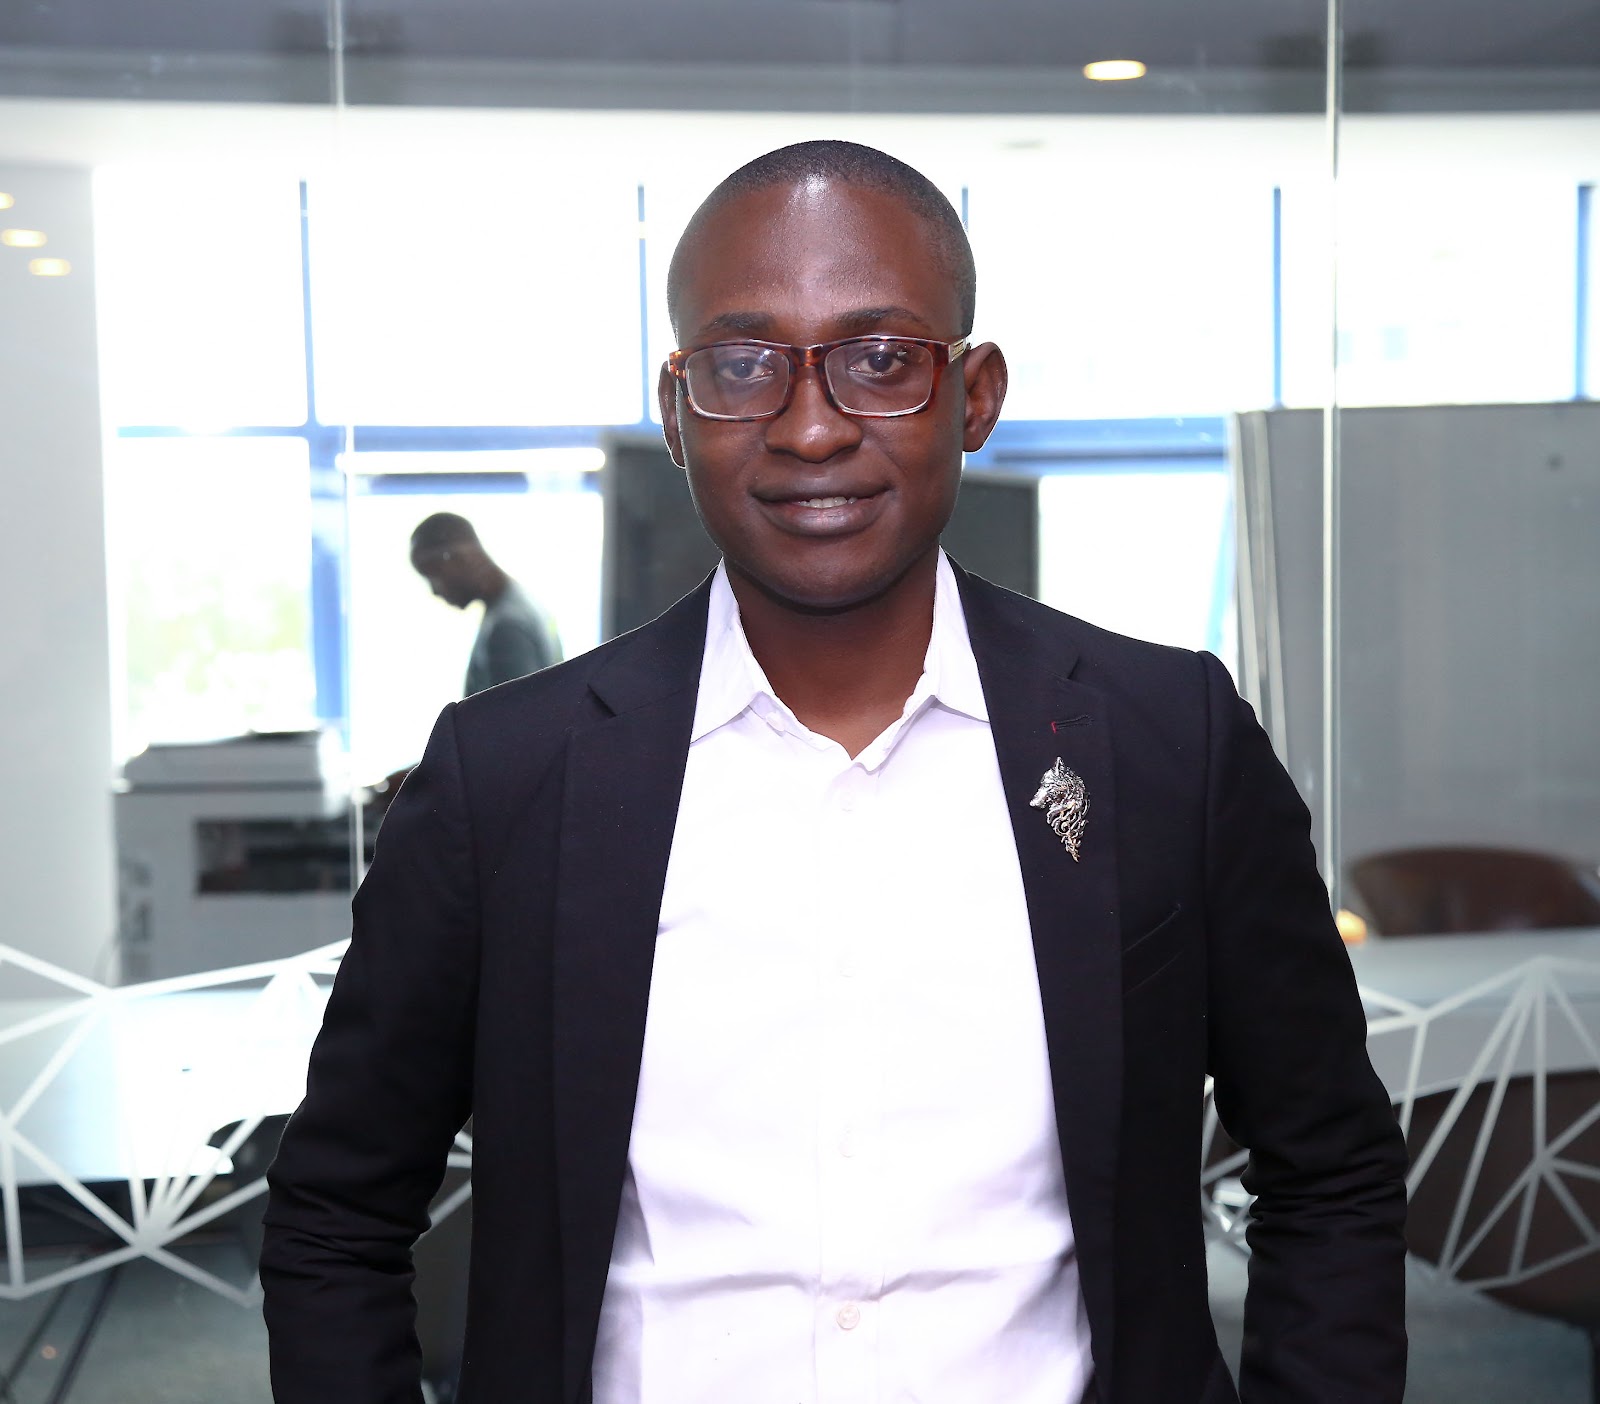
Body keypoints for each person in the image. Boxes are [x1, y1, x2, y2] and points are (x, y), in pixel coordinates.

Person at [262, 141, 1407, 1403]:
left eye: (881, 359)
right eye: (742, 365)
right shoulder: (508, 778)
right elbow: (337, 1213)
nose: (811, 428)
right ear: (675, 411)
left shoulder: (1164, 743)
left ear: (974, 396)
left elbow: (1328, 1170)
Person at [409, 511, 562, 696]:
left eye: (433, 575)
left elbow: (518, 712)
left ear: (460, 558)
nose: (435, 591)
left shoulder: (507, 627)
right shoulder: (523, 604)